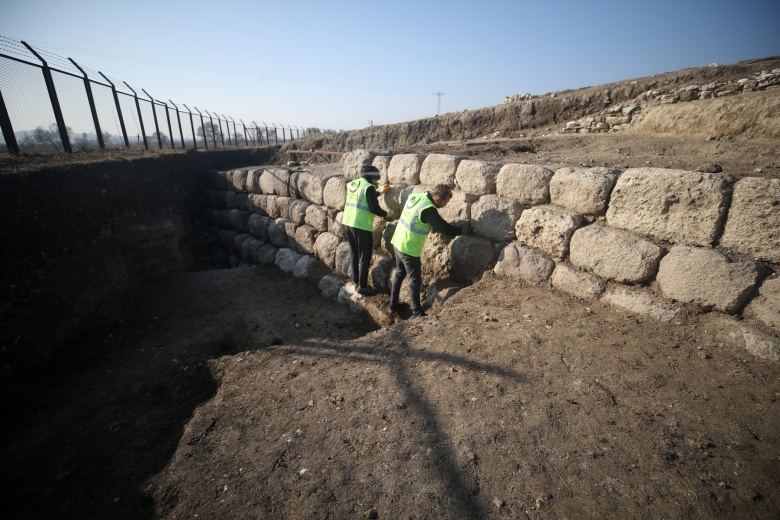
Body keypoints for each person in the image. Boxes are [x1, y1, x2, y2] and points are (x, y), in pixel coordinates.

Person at [389, 184, 463, 318]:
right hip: (409, 248)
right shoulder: (428, 210)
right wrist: (461, 230)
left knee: (400, 273)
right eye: (446, 201)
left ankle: (393, 306)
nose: (446, 204)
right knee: (415, 280)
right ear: (437, 200)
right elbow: (444, 228)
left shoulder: (417, 197)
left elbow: (417, 219)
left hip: (398, 240)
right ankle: (417, 312)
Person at [343, 165, 392, 296]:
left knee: (354, 253)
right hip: (361, 225)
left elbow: (363, 197)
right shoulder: (369, 187)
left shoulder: (353, 183)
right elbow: (374, 209)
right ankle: (363, 286)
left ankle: (356, 282)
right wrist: (388, 215)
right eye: (376, 180)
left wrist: (379, 192)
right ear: (372, 177)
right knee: (365, 255)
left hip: (348, 222)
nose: (377, 182)